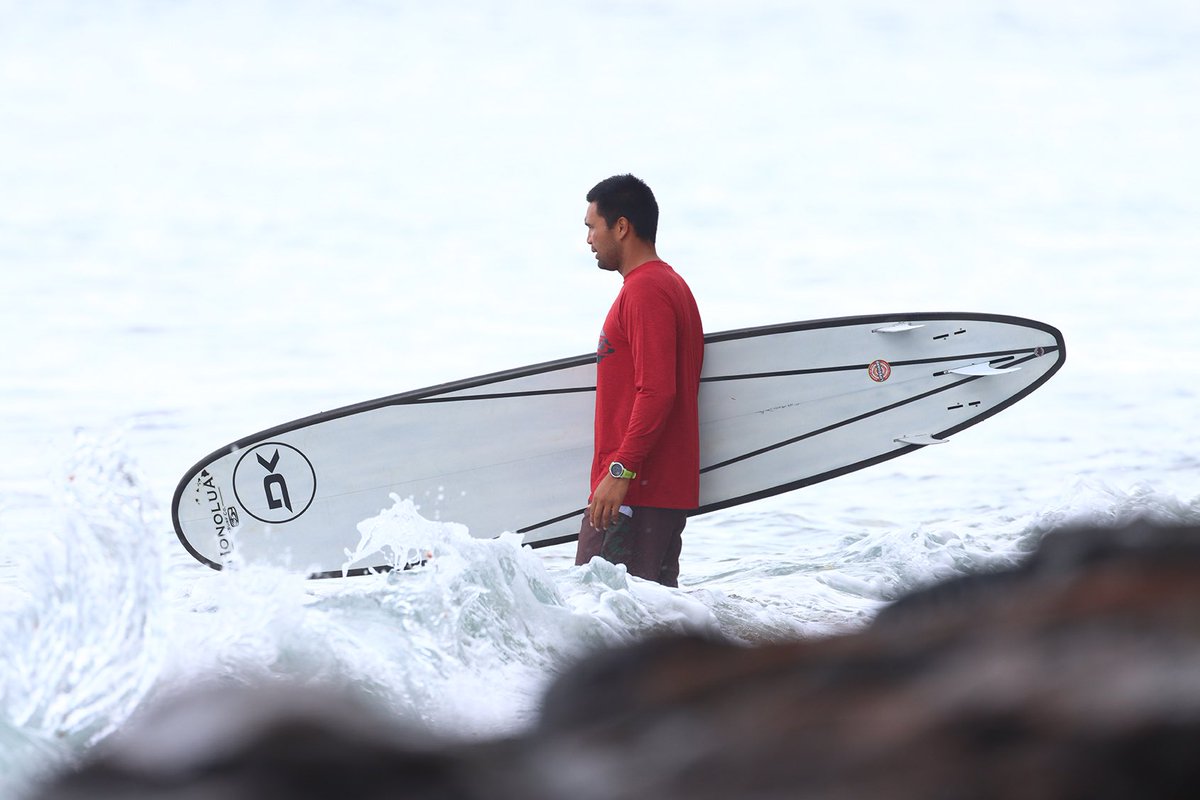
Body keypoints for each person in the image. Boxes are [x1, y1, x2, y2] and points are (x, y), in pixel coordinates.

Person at [575, 174, 704, 587]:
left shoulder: (645, 290)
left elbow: (658, 391)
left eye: (592, 227)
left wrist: (619, 472)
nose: (589, 239)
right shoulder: (670, 284)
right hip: (653, 496)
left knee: (597, 610)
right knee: (650, 618)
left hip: (632, 497)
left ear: (621, 227)